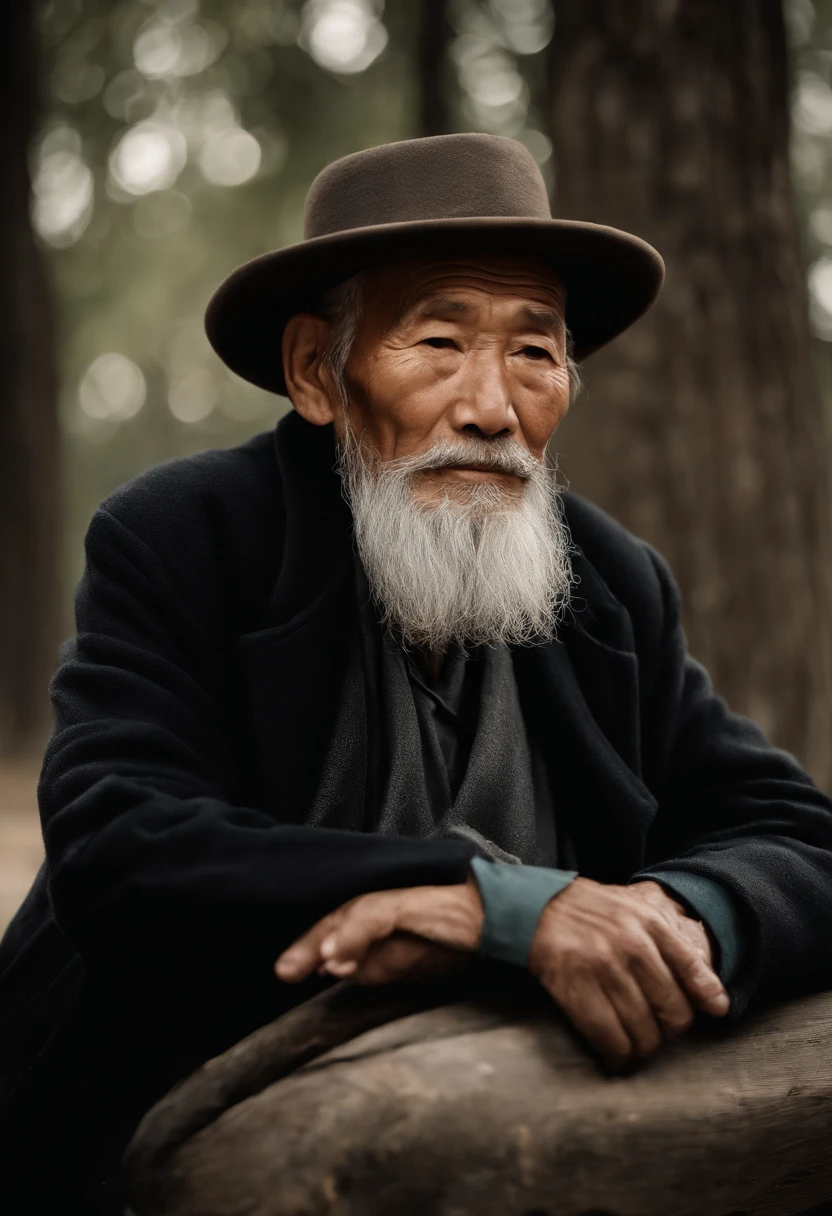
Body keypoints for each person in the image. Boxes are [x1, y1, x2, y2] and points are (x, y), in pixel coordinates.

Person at [2, 133, 831, 1214]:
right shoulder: (187, 537)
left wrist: (677, 914)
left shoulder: (612, 586)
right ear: (318, 373)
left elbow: (800, 833)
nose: (491, 407)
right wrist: (496, 903)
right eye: (438, 340)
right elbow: (120, 846)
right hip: (152, 1134)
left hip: (494, 1120)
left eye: (534, 352)